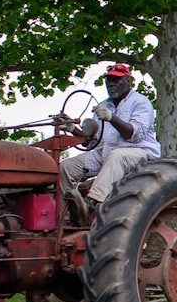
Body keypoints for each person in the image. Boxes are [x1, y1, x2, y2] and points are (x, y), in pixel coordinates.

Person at [57, 63, 161, 218]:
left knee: (116, 156)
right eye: (108, 80)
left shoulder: (141, 102)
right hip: (105, 152)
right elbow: (91, 142)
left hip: (137, 153)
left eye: (116, 79)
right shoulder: (104, 105)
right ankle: (67, 214)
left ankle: (89, 204)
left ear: (128, 80)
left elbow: (134, 135)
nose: (111, 83)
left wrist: (111, 118)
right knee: (64, 168)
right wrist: (72, 128)